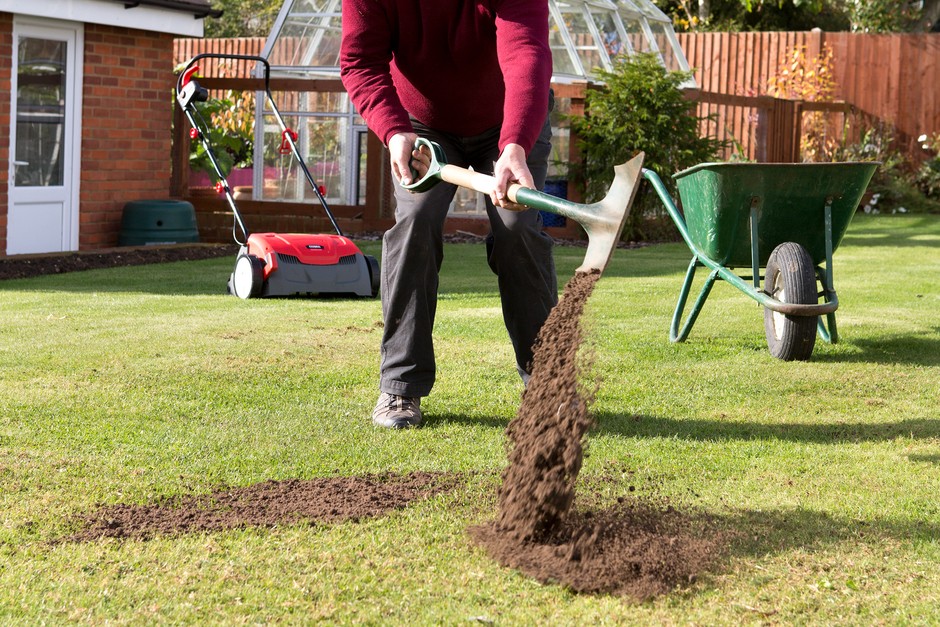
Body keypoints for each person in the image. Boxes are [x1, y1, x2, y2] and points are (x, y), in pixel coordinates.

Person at [340, 0, 558, 428]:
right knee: (416, 223)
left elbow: (526, 50)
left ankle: (546, 385)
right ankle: (400, 387)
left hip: (510, 119)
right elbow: (360, 61)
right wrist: (393, 128)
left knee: (518, 230)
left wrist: (515, 143)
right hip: (421, 127)